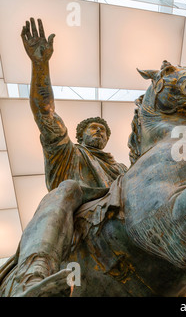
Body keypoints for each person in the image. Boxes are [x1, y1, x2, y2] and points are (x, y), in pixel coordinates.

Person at [6, 18, 127, 296]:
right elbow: (44, 111)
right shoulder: (67, 151)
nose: (99, 133)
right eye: (93, 128)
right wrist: (40, 65)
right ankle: (34, 274)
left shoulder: (121, 169)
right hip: (77, 209)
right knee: (67, 188)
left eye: (104, 131)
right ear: (81, 135)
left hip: (117, 219)